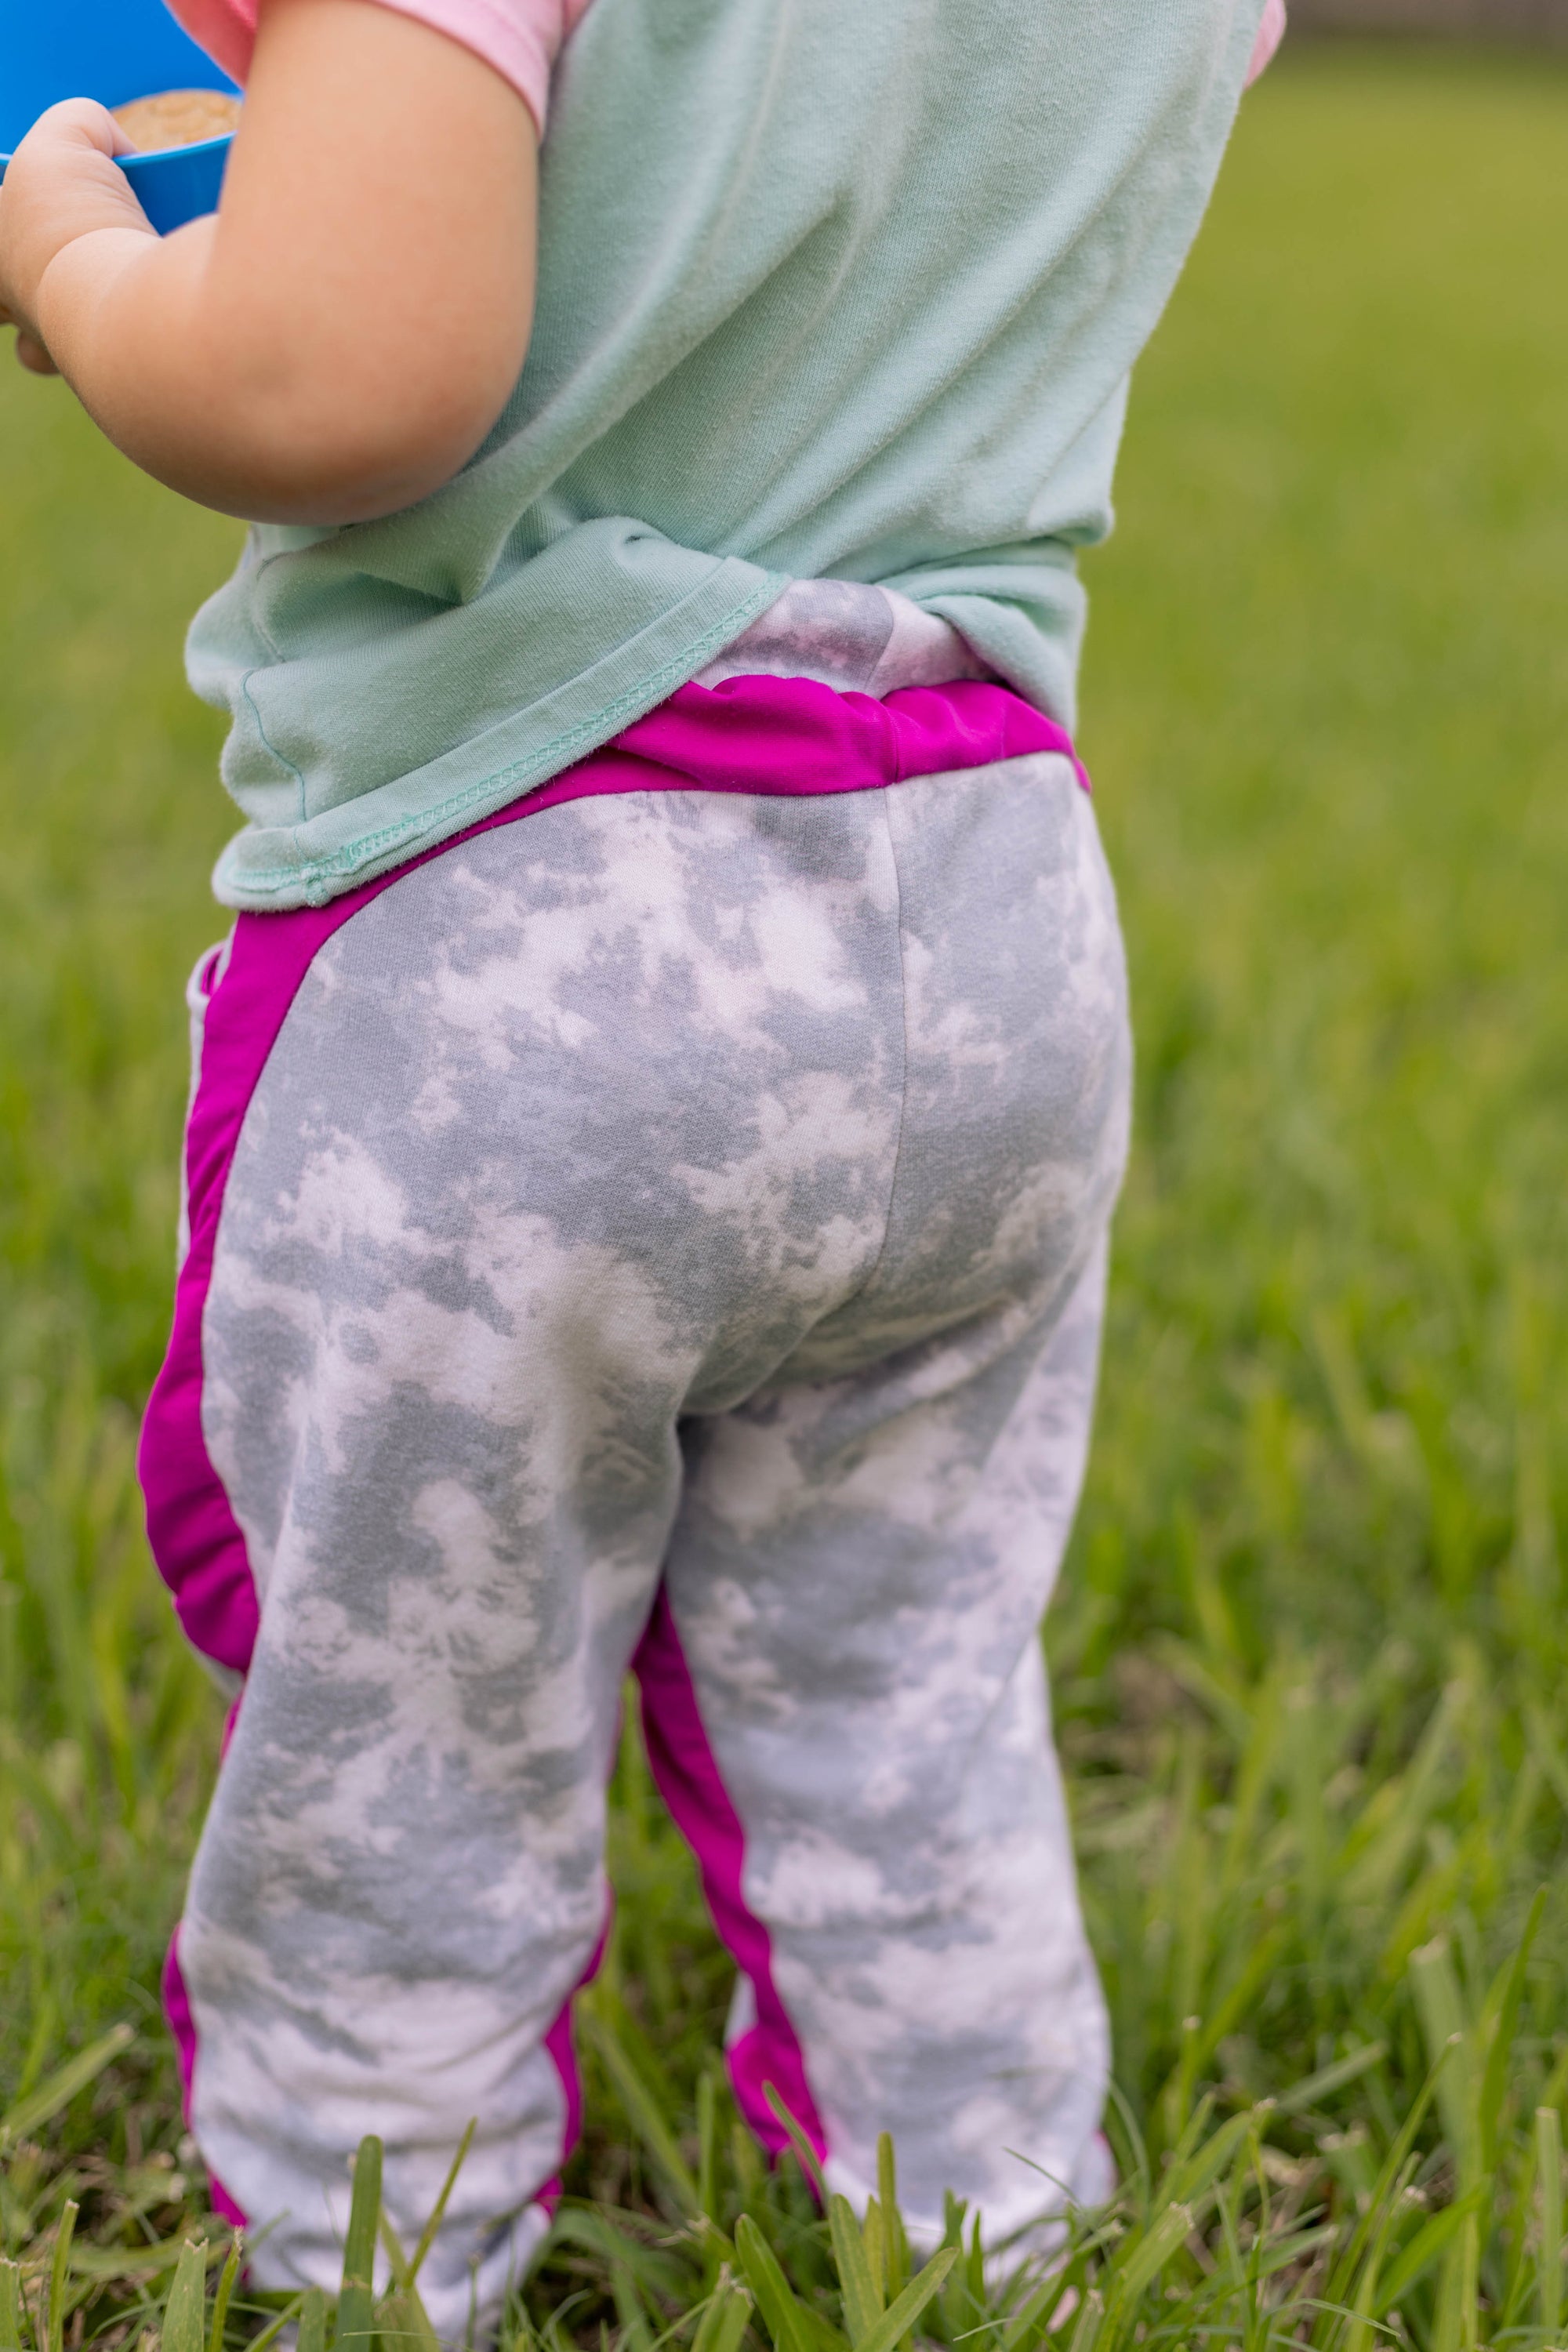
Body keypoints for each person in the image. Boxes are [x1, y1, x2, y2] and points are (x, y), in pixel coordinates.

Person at [0, 0, 1286, 2330]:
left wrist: (78, 258)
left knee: (412, 1708)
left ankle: (370, 2257)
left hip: (528, 921)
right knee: (905, 1668)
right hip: (989, 895)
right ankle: (988, 2218)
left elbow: (328, 375)